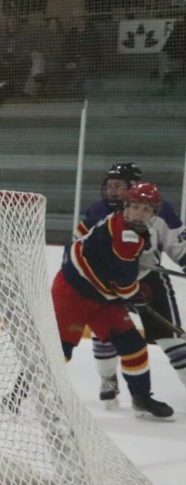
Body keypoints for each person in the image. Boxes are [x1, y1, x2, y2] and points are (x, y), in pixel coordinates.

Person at [54, 181, 174, 420]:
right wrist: (135, 294)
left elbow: (82, 233)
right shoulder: (128, 237)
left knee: (133, 346)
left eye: (146, 209)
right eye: (136, 207)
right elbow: (124, 284)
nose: (140, 213)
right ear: (126, 206)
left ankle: (141, 398)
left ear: (153, 214)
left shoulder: (115, 221)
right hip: (72, 294)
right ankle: (22, 391)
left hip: (102, 298)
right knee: (60, 350)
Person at [78, 163, 186, 411]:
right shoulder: (98, 212)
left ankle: (142, 395)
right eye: (110, 186)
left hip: (148, 278)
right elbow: (81, 248)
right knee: (105, 333)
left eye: (119, 186)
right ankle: (108, 379)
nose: (112, 191)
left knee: (170, 337)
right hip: (108, 282)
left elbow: (180, 246)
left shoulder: (161, 211)